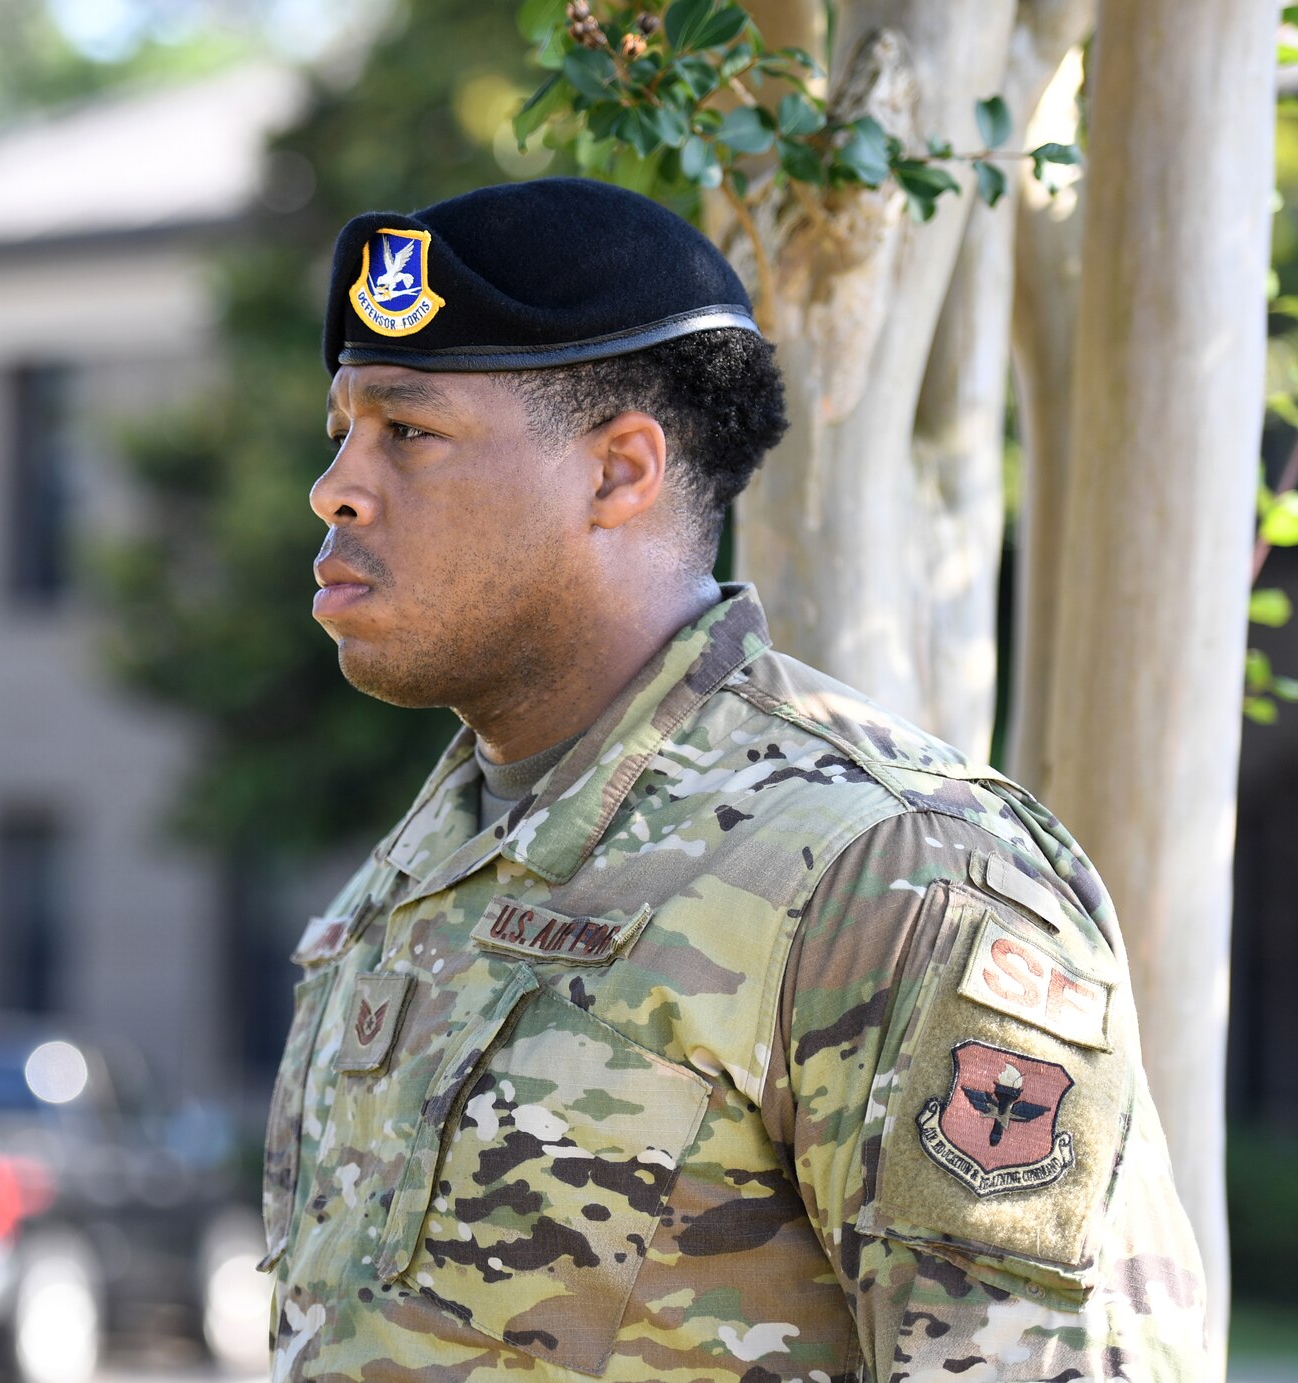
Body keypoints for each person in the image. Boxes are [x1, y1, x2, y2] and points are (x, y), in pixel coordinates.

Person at [259, 177, 1205, 1382]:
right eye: (340, 430)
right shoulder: (420, 867)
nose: (335, 484)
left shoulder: (894, 872)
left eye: (409, 432)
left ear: (619, 473)